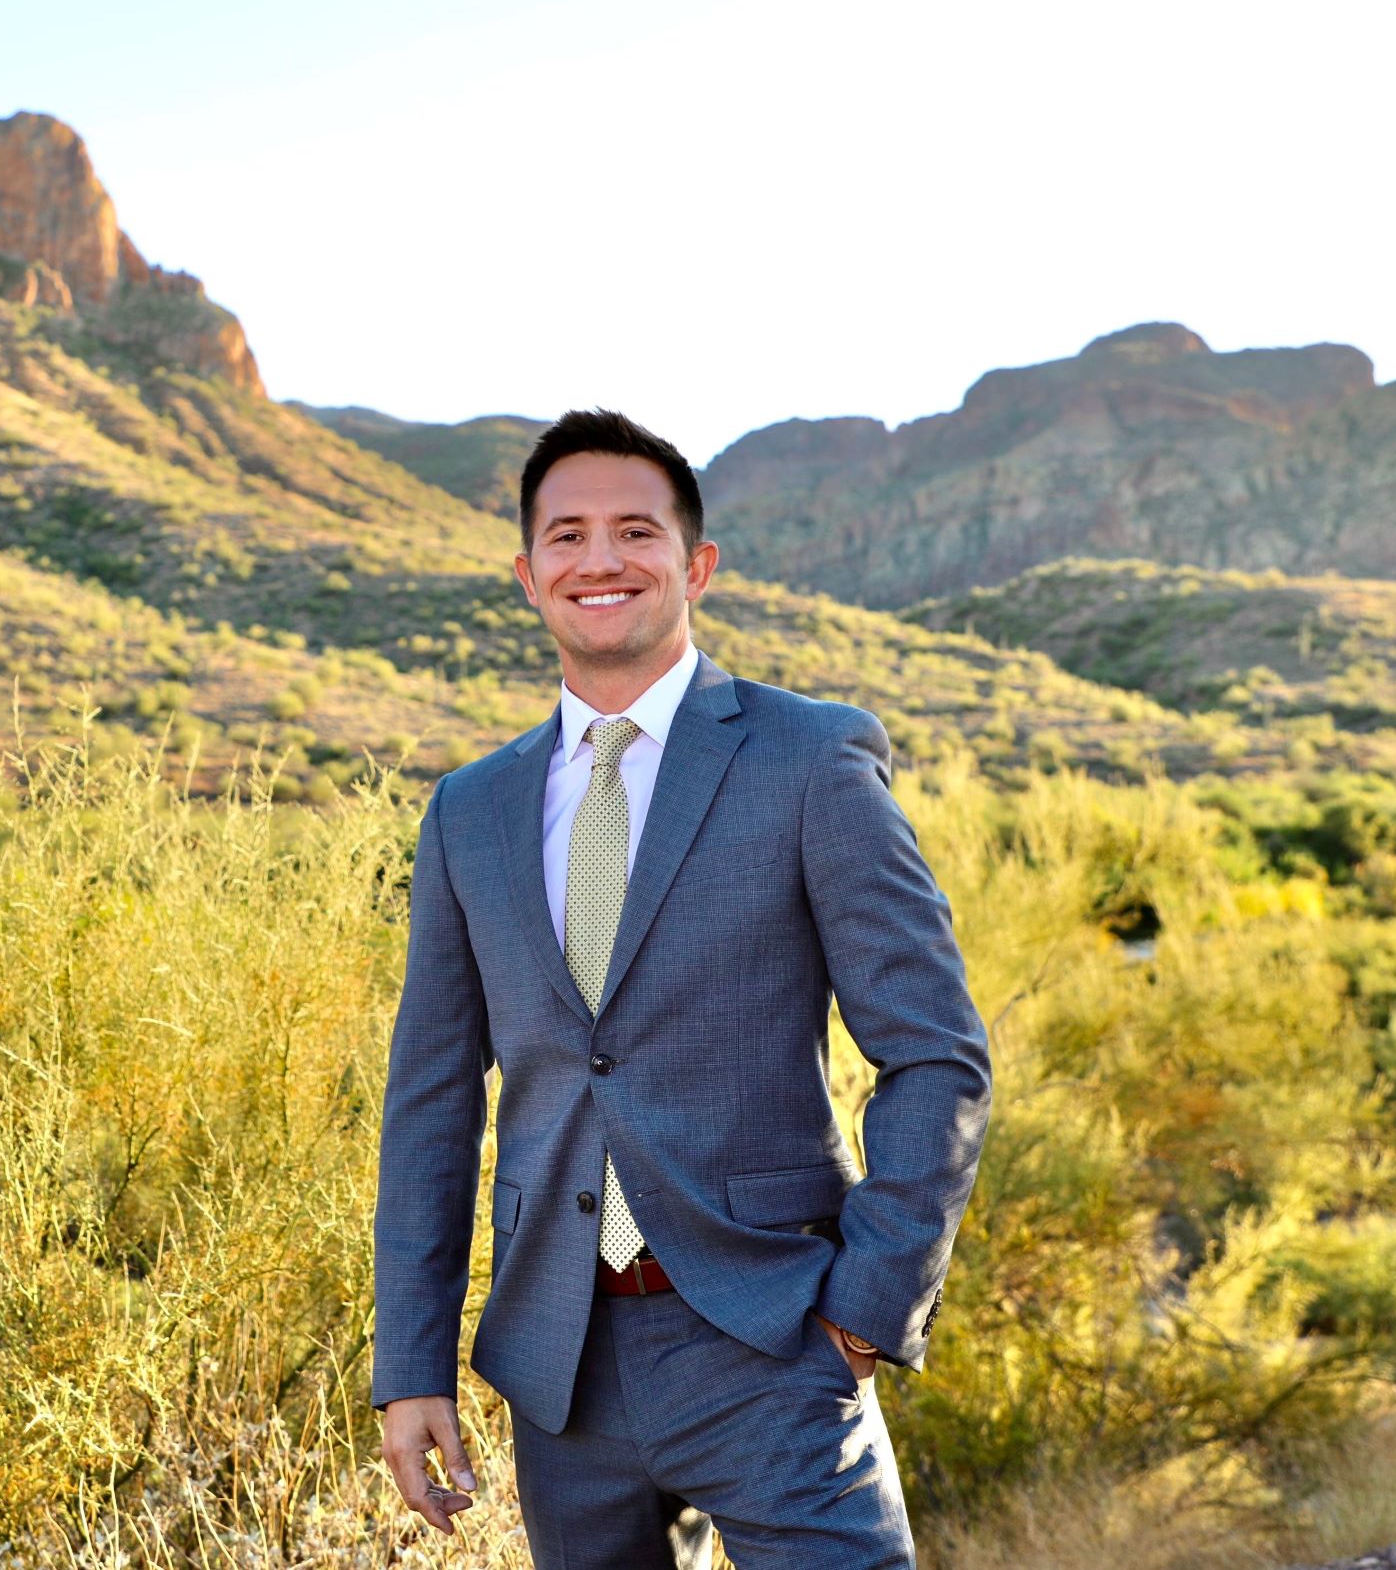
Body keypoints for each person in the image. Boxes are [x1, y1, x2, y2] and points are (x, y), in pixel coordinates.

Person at [369, 408, 991, 1567]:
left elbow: (935, 1055)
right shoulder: (469, 811)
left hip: (773, 1340)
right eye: (565, 535)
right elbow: (430, 1105)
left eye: (634, 531)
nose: (597, 558)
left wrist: (867, 1304)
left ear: (694, 564)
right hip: (558, 1368)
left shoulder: (807, 759)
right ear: (526, 575)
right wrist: (410, 1365)